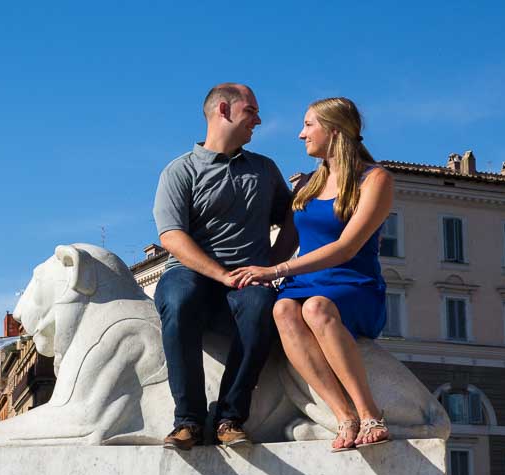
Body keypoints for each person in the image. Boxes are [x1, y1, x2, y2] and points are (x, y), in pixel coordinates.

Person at [230, 97, 393, 451]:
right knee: (283, 309)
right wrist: (244, 273)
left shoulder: (375, 179)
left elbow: (347, 248)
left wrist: (276, 270)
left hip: (353, 283)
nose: (300, 134)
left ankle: (370, 414)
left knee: (315, 308)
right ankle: (344, 416)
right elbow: (284, 245)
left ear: (333, 131)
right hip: (304, 283)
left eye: (308, 125)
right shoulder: (306, 184)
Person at [154, 83, 297, 449]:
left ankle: (230, 418)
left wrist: (272, 265)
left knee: (263, 305)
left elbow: (295, 218)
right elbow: (171, 236)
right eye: (251, 111)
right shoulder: (179, 170)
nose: (259, 120)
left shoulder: (265, 170)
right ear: (223, 110)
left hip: (248, 280)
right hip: (192, 275)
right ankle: (187, 420)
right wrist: (220, 274)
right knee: (179, 298)